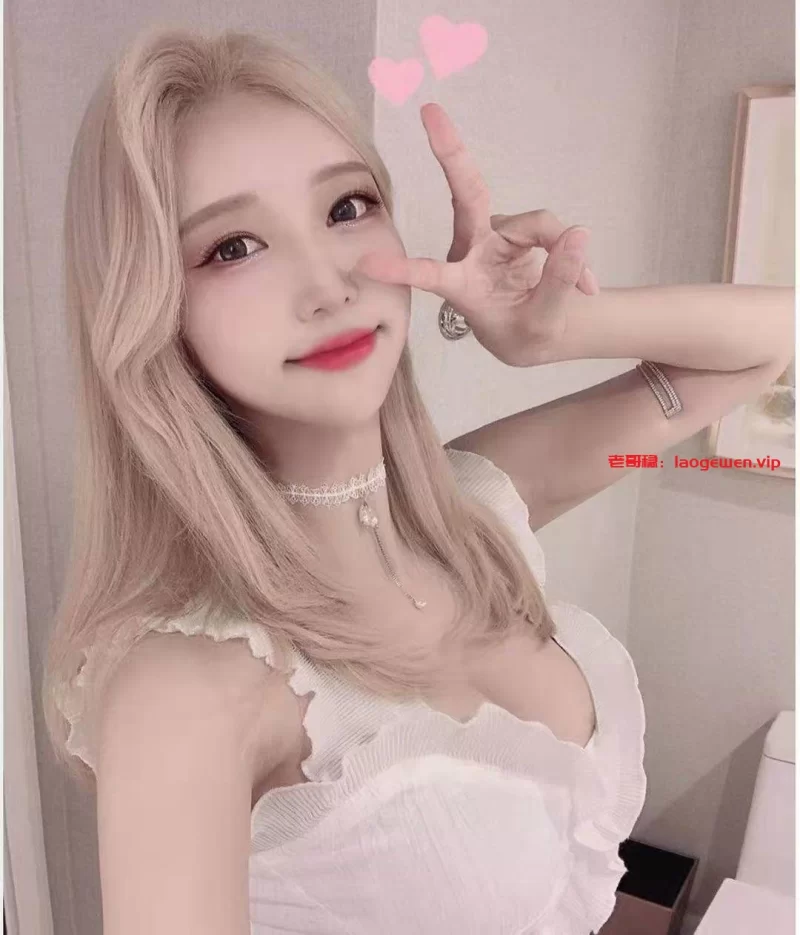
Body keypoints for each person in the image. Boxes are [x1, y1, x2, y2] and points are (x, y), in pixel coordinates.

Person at [43, 23, 791, 935]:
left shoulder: (477, 502)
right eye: (234, 246)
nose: (329, 284)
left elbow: (772, 342)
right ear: (153, 309)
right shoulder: (186, 689)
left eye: (346, 207)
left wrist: (551, 333)